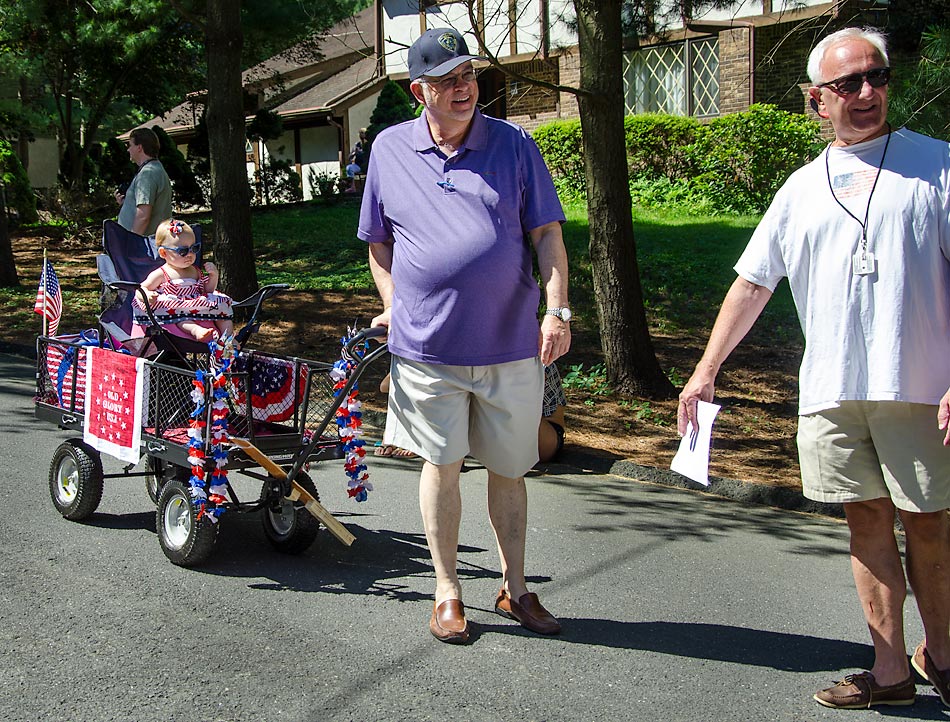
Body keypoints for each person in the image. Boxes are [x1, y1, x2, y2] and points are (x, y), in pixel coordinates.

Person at [677, 26, 950, 710]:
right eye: (848, 84)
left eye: (876, 77)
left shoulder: (938, 166)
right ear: (815, 100)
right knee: (864, 523)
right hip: (830, 392)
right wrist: (706, 368)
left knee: (930, 524)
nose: (867, 93)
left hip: (919, 387)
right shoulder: (800, 189)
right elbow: (751, 284)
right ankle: (890, 670)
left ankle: (943, 657)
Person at [358, 27, 571, 644]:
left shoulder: (514, 145)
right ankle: (447, 591)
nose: (463, 88)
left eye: (469, 76)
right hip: (426, 349)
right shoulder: (389, 151)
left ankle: (517, 588)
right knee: (441, 465)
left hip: (509, 345)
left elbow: (548, 235)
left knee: (510, 470)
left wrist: (556, 310)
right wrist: (394, 305)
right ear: (417, 89)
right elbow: (379, 243)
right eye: (448, 79)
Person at [374, 363, 566, 461]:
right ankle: (428, 442)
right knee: (444, 388)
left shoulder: (534, 356)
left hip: (544, 434)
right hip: (497, 429)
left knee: (493, 393)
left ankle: (439, 446)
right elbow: (385, 386)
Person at [133, 219, 233, 343]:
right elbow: (140, 289)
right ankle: (196, 331)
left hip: (196, 306)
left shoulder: (195, 270)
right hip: (176, 310)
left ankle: (228, 339)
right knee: (181, 317)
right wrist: (147, 295)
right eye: (183, 251)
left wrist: (214, 276)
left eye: (194, 248)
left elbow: (206, 291)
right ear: (164, 253)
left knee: (221, 308)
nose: (190, 254)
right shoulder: (162, 273)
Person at [115, 127, 173, 237]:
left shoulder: (148, 173)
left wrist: (132, 243)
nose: (128, 150)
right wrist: (127, 204)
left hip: (144, 247)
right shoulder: (154, 168)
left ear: (139, 147)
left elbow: (143, 216)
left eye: (130, 145)